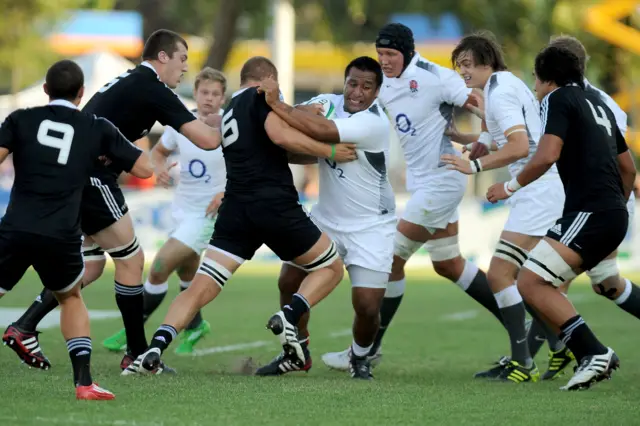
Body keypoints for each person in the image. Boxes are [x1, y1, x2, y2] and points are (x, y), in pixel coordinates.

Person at [2, 29, 222, 373]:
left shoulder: (133, 81)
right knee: (132, 260)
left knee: (91, 266)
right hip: (92, 179)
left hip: (77, 178)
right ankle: (136, 355)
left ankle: (25, 326)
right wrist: (244, 128)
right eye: (182, 59)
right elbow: (207, 140)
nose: (184, 68)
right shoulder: (153, 87)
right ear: (162, 57)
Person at [122, 56, 358, 375]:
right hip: (272, 204)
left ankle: (154, 349)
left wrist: (304, 123)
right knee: (330, 268)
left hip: (236, 209)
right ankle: (291, 314)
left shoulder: (232, 107)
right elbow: (282, 137)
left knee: (200, 288)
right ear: (266, 81)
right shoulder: (261, 97)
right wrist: (329, 151)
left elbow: (278, 149)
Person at [322, 22, 505, 371]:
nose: (384, 61)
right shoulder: (382, 80)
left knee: (388, 261)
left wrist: (485, 133)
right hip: (424, 183)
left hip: (443, 179)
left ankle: (366, 350)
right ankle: (521, 323)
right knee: (449, 264)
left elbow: (482, 99)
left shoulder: (435, 76)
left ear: (406, 52)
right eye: (380, 54)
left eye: (390, 54)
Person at [0, 60, 153, 399]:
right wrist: (108, 154)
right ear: (82, 94)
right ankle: (84, 383)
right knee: (71, 298)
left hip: (16, 227)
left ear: (44, 90)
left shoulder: (21, 119)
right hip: (61, 234)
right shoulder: (95, 127)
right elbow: (144, 168)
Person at [487, 45, 634, 390]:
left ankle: (592, 352)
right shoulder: (599, 104)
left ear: (545, 78)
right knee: (557, 281)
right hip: (609, 212)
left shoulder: (557, 99)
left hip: (592, 211)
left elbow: (547, 153)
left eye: (535, 80)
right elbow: (627, 168)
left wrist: (509, 187)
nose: (534, 87)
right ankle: (584, 352)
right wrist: (616, 206)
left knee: (530, 281)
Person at [256, 56, 395, 379]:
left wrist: (283, 107)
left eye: (366, 87)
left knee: (367, 305)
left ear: (377, 93)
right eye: (352, 83)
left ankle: (359, 357)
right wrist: (300, 120)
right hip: (326, 220)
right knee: (288, 280)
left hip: (371, 226)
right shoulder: (328, 102)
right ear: (344, 82)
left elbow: (320, 129)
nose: (357, 92)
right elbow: (297, 126)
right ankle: (296, 352)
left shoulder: (374, 122)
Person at [442, 31, 564, 382]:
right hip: (541, 189)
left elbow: (520, 144)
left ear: (486, 62)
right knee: (530, 281)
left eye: (467, 64)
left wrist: (475, 167)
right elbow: (509, 135)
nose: (462, 71)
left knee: (500, 275)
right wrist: (476, 142)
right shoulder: (502, 87)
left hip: (538, 190)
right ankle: (559, 346)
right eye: (458, 65)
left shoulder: (501, 92)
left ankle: (525, 361)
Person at [102, 67, 227, 355]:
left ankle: (132, 330)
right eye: (204, 92)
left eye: (215, 94)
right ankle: (195, 325)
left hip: (208, 214)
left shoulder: (227, 128)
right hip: (182, 208)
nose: (208, 99)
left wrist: (225, 192)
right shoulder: (180, 124)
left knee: (159, 268)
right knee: (186, 271)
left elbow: (246, 163)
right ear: (195, 93)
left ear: (223, 98)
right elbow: (157, 153)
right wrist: (158, 170)